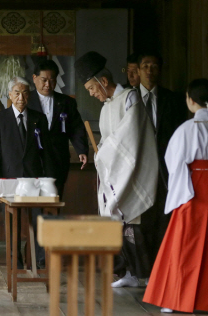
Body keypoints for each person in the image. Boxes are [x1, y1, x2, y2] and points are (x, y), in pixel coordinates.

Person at [143, 78, 208, 314]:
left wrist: (180, 191)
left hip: (194, 187)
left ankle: (176, 299)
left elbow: (174, 162)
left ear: (190, 99)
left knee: (185, 242)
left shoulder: (188, 129)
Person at [74, 51, 159, 283]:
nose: (91, 94)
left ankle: (143, 274)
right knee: (118, 225)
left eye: (92, 88)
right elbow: (106, 140)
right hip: (115, 173)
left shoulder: (130, 98)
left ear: (103, 82)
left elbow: (129, 136)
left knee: (134, 223)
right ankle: (128, 272)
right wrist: (101, 150)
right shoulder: (106, 108)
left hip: (132, 171)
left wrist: (106, 151)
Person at [113, 52, 186, 288]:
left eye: (154, 66)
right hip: (136, 170)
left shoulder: (172, 99)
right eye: (145, 66)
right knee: (137, 221)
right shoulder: (128, 98)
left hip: (165, 169)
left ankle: (161, 270)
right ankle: (135, 271)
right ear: (138, 70)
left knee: (162, 219)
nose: (150, 70)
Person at [0, 76, 55, 269]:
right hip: (9, 179)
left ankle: (39, 259)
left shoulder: (38, 119)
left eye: (25, 93)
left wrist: (48, 179)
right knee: (12, 222)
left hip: (35, 179)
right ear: (9, 95)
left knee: (38, 219)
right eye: (17, 92)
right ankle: (14, 260)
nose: (21, 97)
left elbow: (46, 152)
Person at [27, 58, 89, 199]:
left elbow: (76, 127)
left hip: (58, 159)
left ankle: (51, 222)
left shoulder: (67, 102)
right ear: (34, 78)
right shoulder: (25, 100)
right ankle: (37, 222)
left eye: (52, 80)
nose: (48, 84)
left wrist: (81, 150)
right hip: (32, 159)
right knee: (33, 200)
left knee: (55, 198)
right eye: (44, 80)